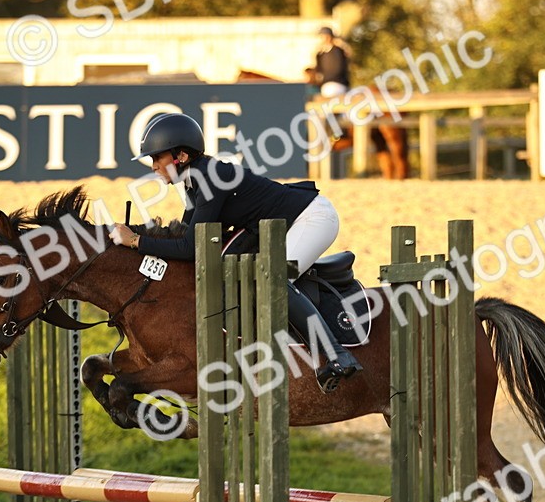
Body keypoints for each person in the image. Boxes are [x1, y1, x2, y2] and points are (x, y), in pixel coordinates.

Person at [109, 113, 362, 393]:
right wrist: (139, 239)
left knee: (274, 280)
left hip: (312, 219)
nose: (154, 166)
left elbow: (190, 247)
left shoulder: (208, 179)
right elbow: (188, 236)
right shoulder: (195, 181)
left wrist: (135, 241)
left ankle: (338, 355)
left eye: (157, 158)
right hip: (282, 224)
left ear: (180, 156)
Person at [311, 27, 352, 98]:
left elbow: (339, 69)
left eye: (325, 36)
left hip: (337, 84)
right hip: (326, 85)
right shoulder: (321, 53)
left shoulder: (338, 51)